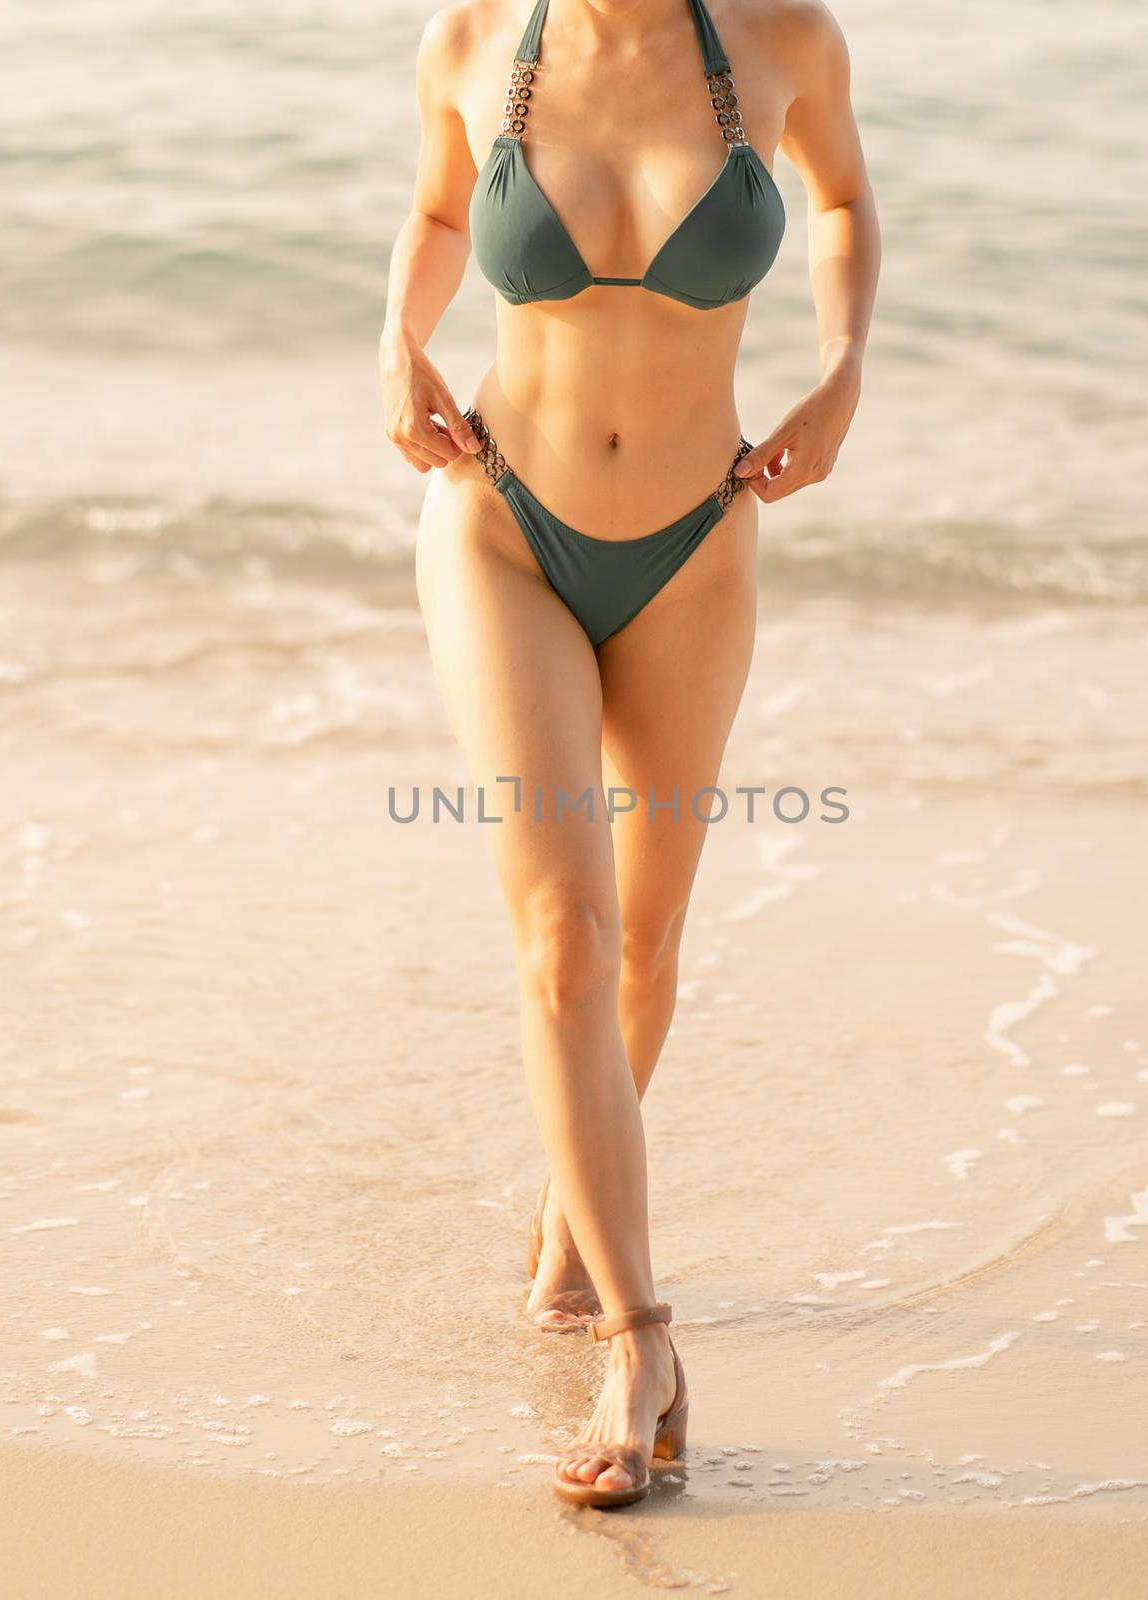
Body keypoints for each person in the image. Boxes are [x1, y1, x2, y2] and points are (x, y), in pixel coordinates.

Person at [379, 0, 877, 1507]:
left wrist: (841, 369)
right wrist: (396, 336)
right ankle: (641, 1340)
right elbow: (437, 206)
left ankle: (566, 1224)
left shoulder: (784, 38)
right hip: (501, 524)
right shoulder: (470, 38)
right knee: (563, 938)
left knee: (646, 940)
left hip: (695, 546)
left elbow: (846, 199)